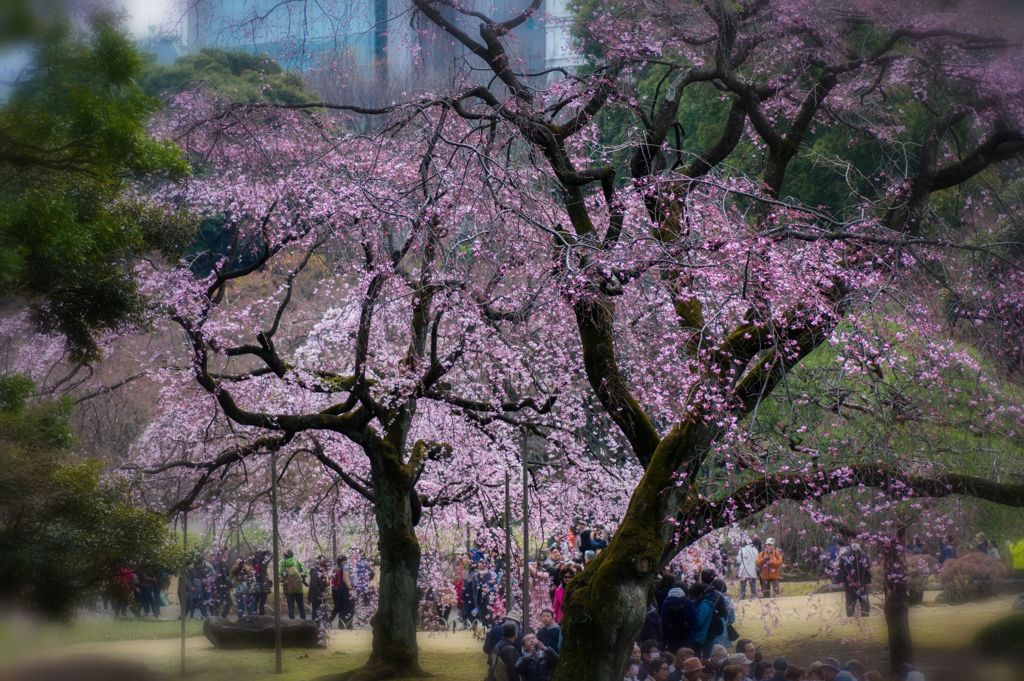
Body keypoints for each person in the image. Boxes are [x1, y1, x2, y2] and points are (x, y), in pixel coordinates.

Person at [838, 543, 871, 617]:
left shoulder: (864, 556)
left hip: (862, 583)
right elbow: (840, 570)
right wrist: (841, 581)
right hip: (849, 584)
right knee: (850, 603)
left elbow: (868, 569)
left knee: (865, 602)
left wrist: (868, 581)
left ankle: (865, 616)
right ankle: (850, 617)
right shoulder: (844, 556)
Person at [660, 586, 697, 653]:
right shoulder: (688, 602)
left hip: (671, 634)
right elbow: (694, 621)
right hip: (686, 634)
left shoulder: (666, 602)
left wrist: (664, 641)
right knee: (685, 654)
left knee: (672, 654)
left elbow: (664, 622)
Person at [280, 549, 306, 620]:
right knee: (301, 605)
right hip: (298, 588)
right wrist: (304, 581)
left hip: (288, 589)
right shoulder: (297, 562)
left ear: (285, 555)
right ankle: (303, 621)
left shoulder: (283, 563)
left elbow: (280, 575)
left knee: (290, 607)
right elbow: (305, 573)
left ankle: (292, 622)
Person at [330, 555, 354, 629]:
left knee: (340, 607)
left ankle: (340, 624)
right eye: (345, 561)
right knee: (339, 607)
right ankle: (330, 621)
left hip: (336, 590)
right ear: (342, 561)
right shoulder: (340, 569)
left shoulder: (336, 568)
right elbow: (340, 580)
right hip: (338, 591)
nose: (346, 562)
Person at [252, 549, 272, 616]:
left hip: (256, 582)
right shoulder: (264, 561)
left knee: (255, 600)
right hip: (264, 582)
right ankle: (261, 615)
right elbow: (270, 555)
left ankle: (254, 614)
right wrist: (265, 552)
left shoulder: (254, 561)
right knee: (262, 602)